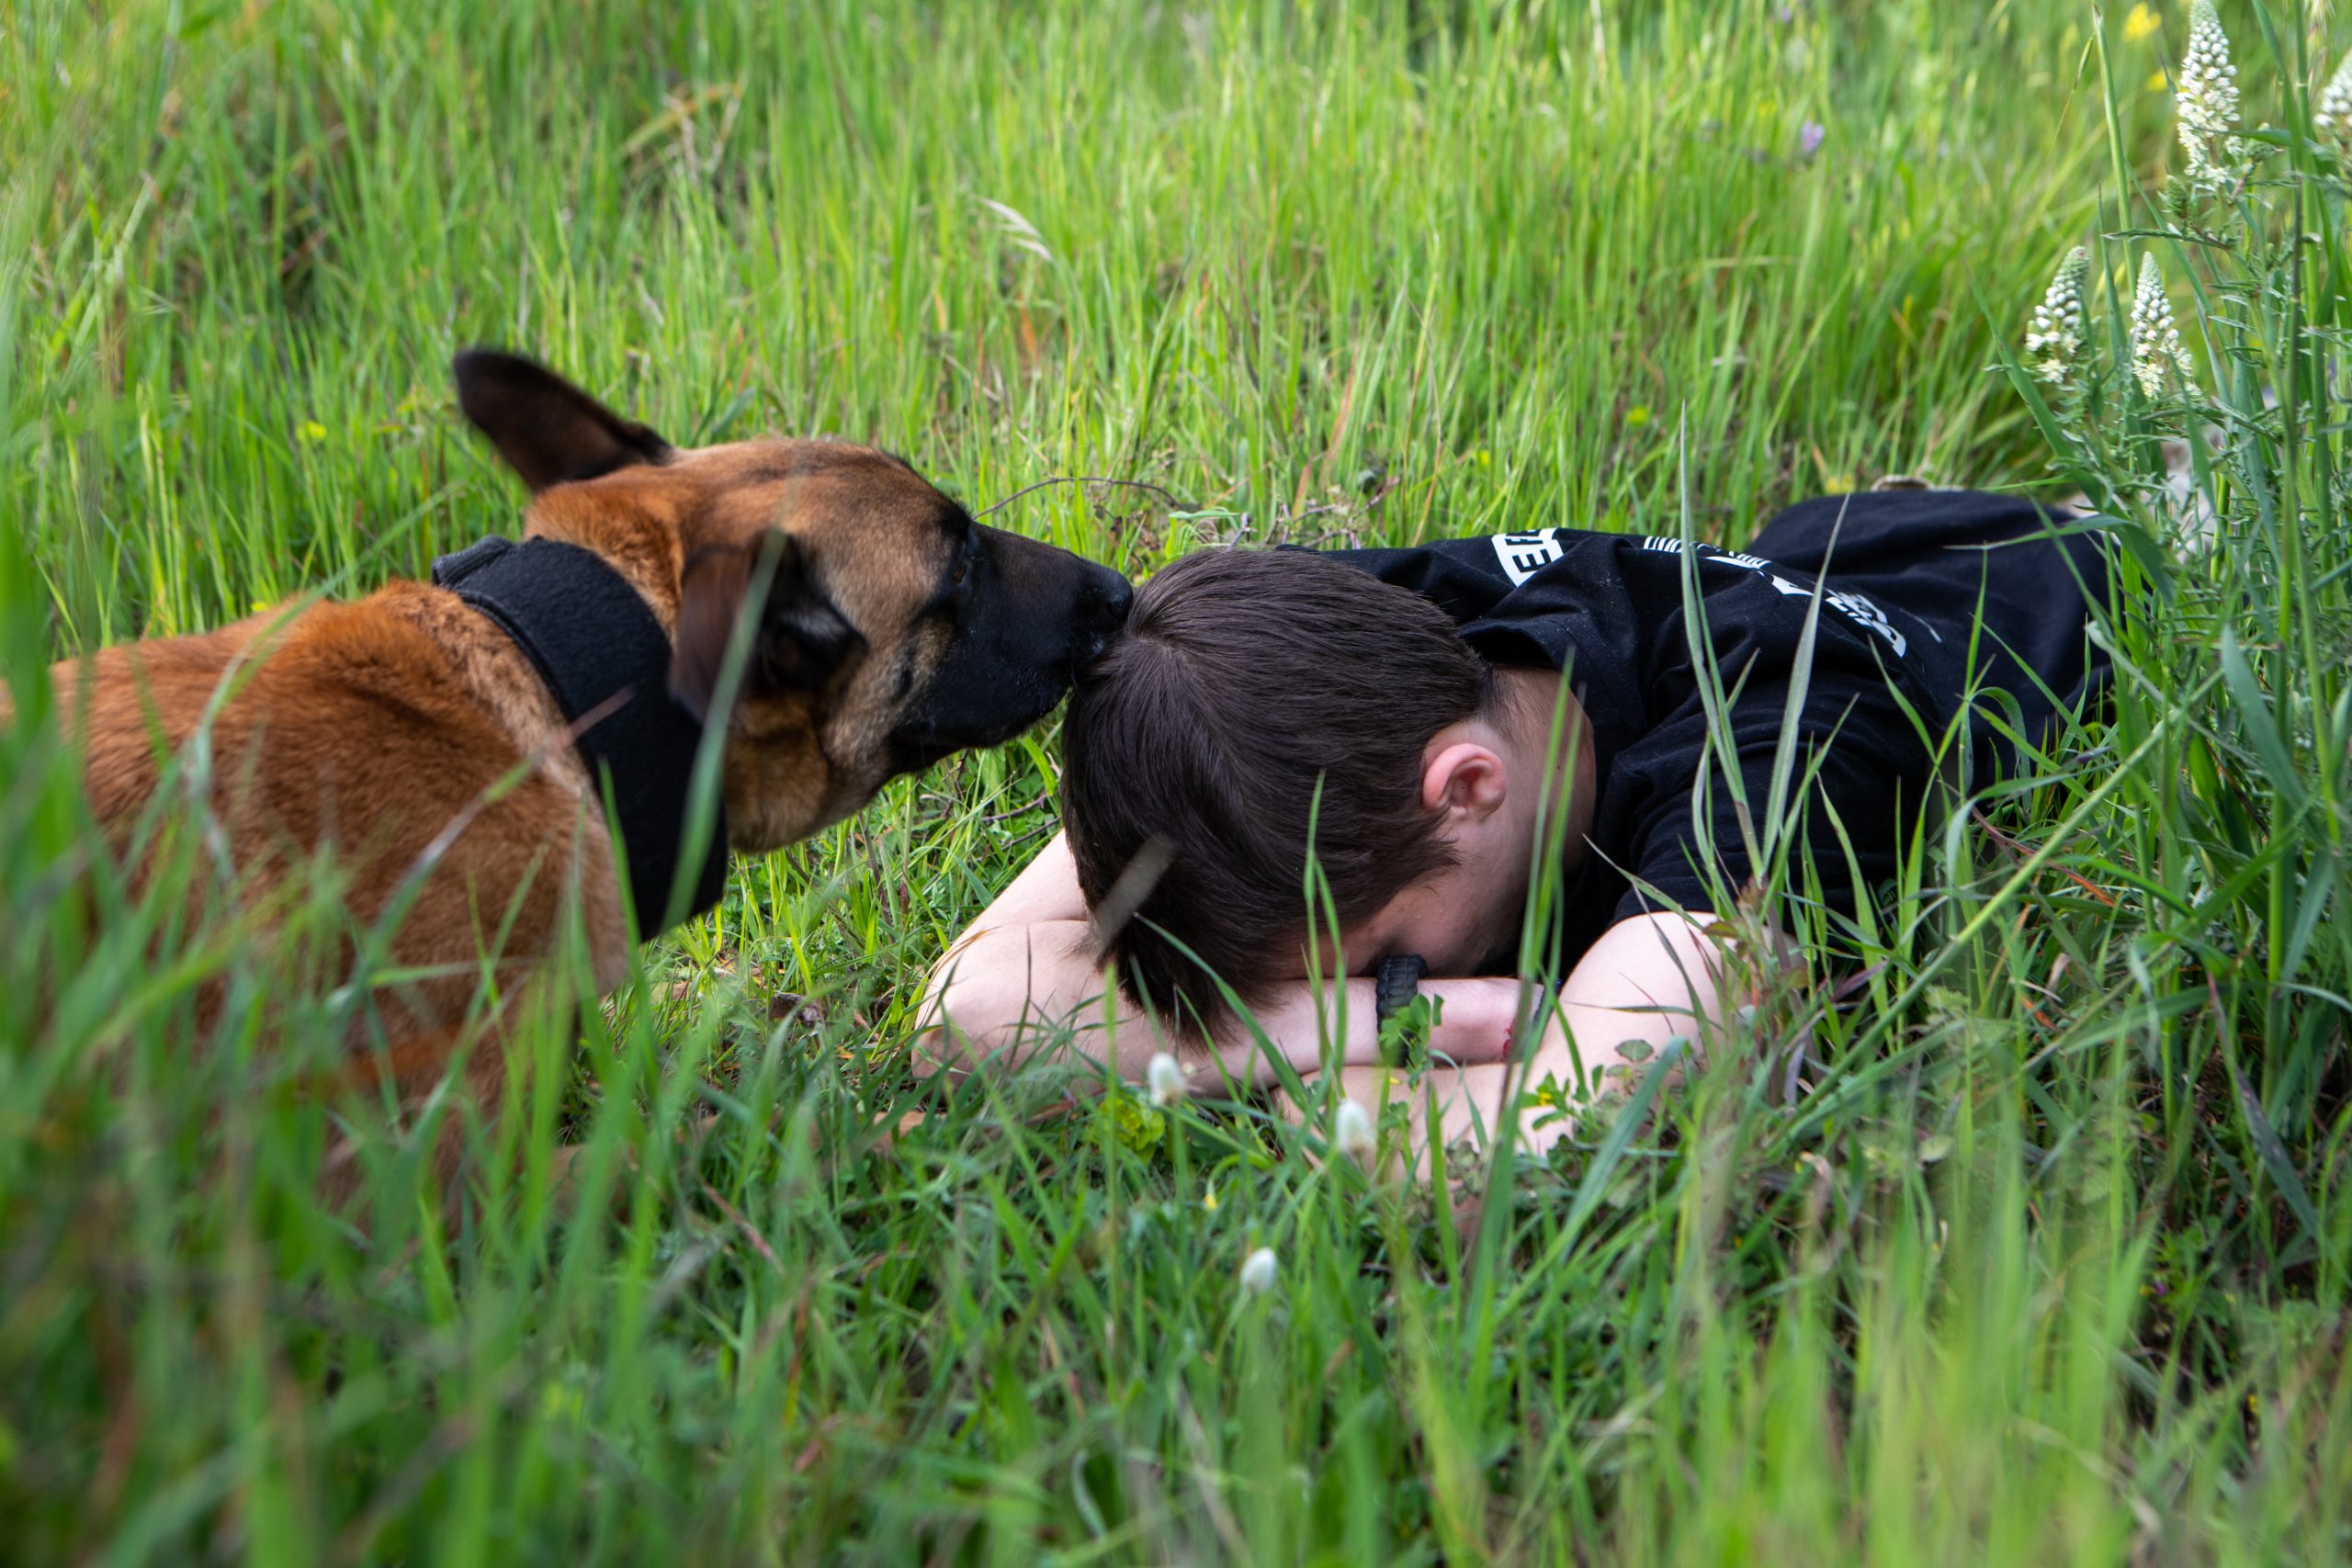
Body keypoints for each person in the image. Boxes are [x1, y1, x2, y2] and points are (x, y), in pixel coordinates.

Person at [918, 488, 2113, 1155]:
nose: (1385, 990)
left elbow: (1572, 1123)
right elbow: (964, 1015)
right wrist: (1369, 1015)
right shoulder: (1313, 653)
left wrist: (1320, 1091)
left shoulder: (1771, 755)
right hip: (1825, 545)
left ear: (1467, 789)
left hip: (2077, 601)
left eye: (1388, 955)